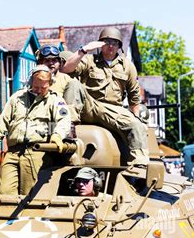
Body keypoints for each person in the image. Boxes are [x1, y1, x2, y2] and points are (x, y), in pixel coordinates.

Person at [61, 26, 149, 167]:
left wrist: (137, 117)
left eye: (114, 43)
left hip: (113, 109)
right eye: (107, 42)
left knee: (136, 125)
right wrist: (84, 50)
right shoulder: (89, 60)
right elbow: (66, 69)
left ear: (119, 46)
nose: (110, 46)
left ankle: (140, 166)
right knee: (73, 84)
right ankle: (68, 129)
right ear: (100, 44)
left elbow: (134, 97)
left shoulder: (127, 66)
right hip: (89, 105)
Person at [0, 65, 71, 195]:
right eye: (36, 87)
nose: (39, 90)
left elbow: (64, 120)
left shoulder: (55, 101)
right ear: (30, 82)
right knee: (4, 192)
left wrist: (57, 135)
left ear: (50, 84)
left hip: (36, 152)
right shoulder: (17, 98)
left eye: (43, 87)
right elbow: (1, 123)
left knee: (30, 194)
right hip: (13, 152)